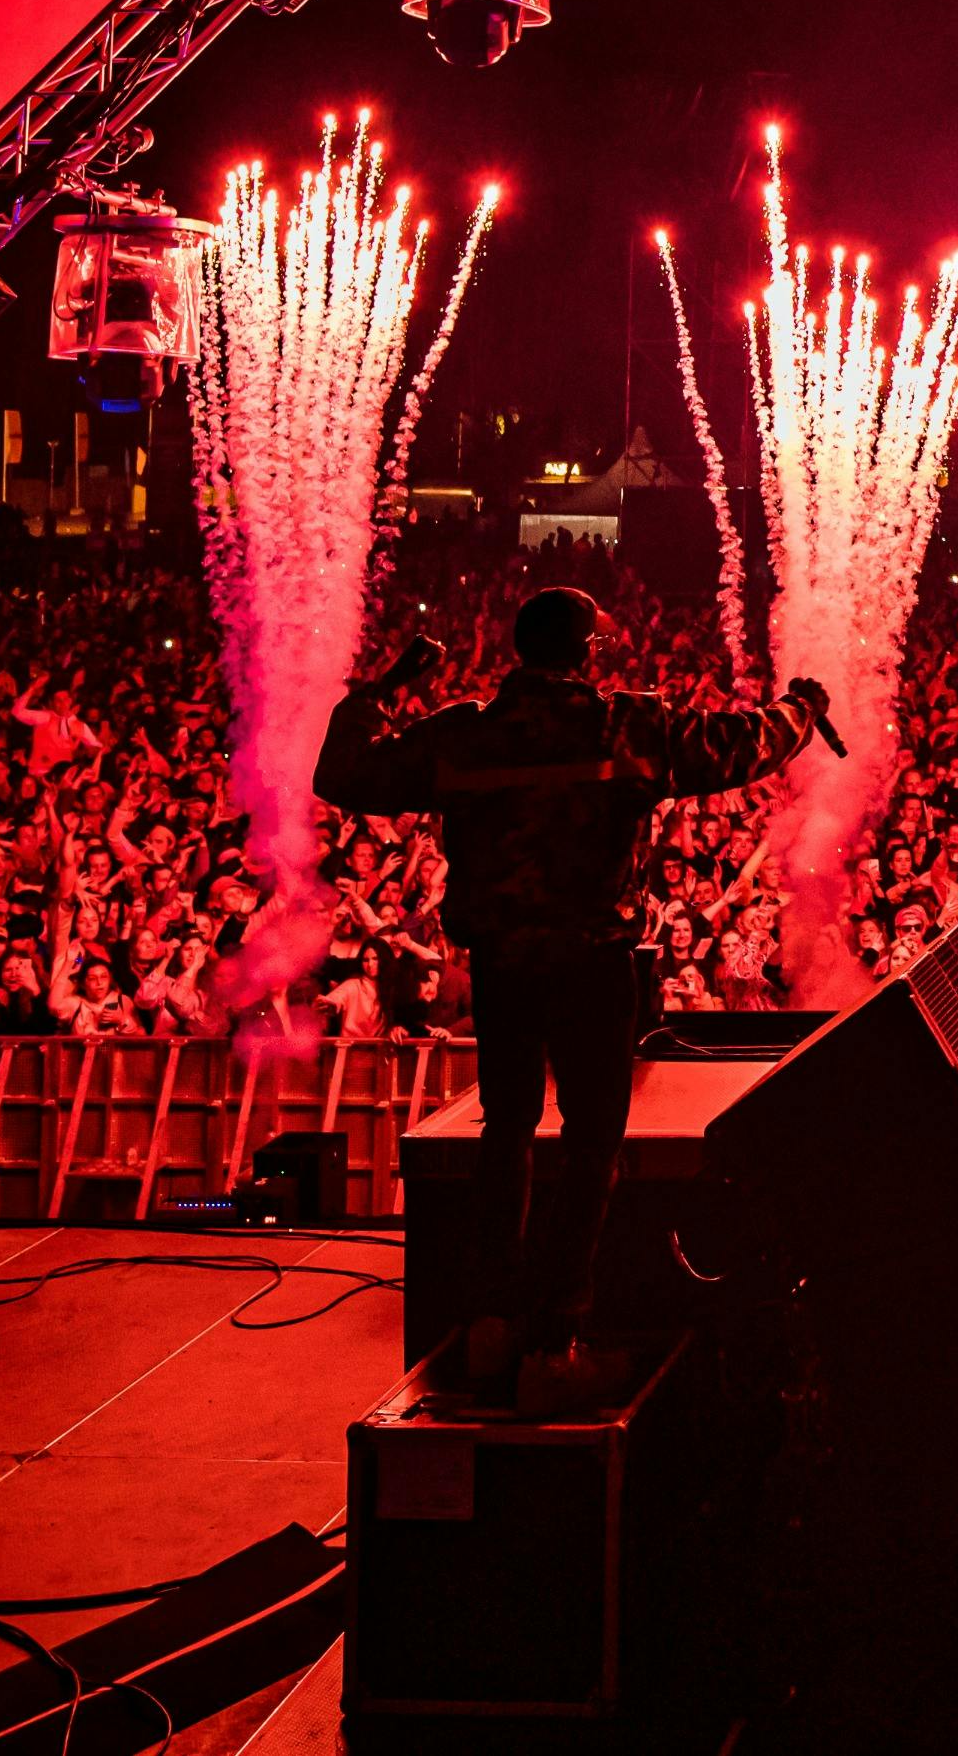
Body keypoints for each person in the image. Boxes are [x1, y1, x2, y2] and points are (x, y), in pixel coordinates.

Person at [316, 585, 828, 1407]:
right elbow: (742, 747)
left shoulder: (466, 735)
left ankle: (490, 1324)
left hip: (503, 964)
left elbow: (343, 772)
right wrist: (801, 707)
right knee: (593, 1144)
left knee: (506, 1132)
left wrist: (387, 686)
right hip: (593, 961)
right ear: (587, 652)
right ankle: (556, 1339)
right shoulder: (625, 725)